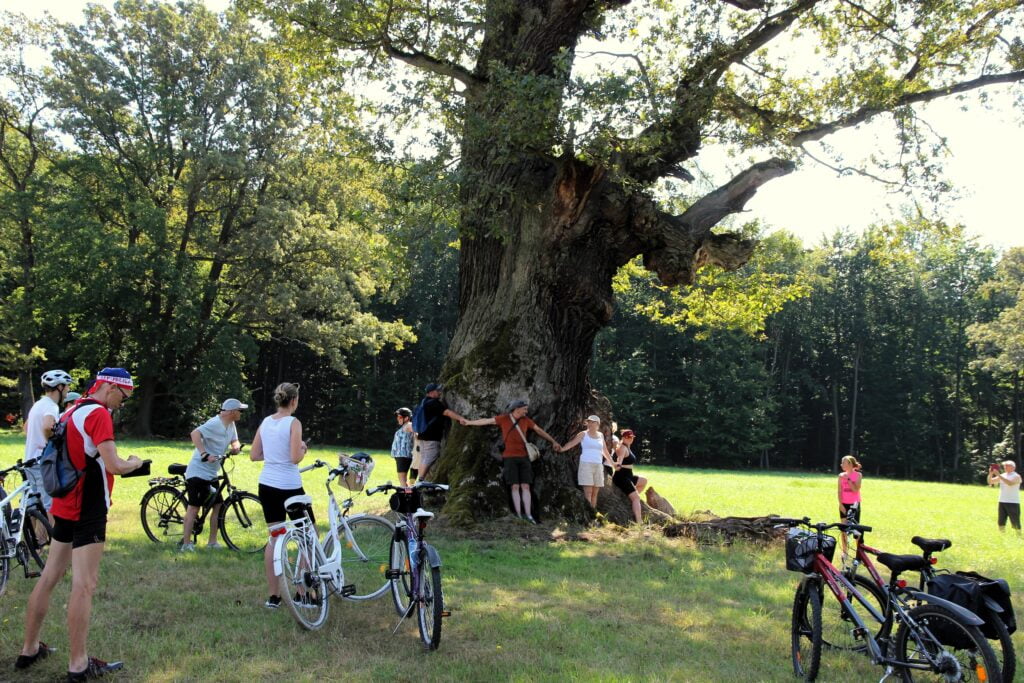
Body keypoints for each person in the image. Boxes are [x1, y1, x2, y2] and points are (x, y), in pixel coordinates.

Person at [17, 368, 144, 681]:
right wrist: (135, 463)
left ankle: (29, 649)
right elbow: (114, 464)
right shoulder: (99, 414)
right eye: (123, 397)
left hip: (63, 504)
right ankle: (78, 664)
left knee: (49, 576)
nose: (122, 404)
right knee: (84, 584)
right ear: (111, 387)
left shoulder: (71, 409)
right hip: (88, 509)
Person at [251, 382, 309, 608]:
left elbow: (254, 455)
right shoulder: (294, 423)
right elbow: (295, 457)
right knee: (308, 535)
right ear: (294, 401)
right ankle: (301, 592)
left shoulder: (266, 422)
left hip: (267, 485)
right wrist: (303, 448)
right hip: (290, 486)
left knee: (275, 538)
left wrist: (274, 453)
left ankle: (274, 596)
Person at [464, 399, 561, 523]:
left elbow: (539, 430)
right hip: (509, 458)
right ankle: (519, 515)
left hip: (524, 457)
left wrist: (553, 441)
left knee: (526, 486)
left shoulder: (526, 421)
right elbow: (486, 421)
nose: (527, 411)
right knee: (514, 486)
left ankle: (528, 515)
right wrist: (469, 422)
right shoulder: (503, 419)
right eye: (524, 409)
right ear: (517, 409)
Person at [179, 398, 247, 552]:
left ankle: (212, 542)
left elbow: (234, 440)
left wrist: (235, 448)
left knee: (218, 506)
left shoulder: (231, 424)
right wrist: (204, 453)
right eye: (240, 410)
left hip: (212, 472)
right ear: (231, 412)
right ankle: (186, 544)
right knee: (194, 508)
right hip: (198, 471)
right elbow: (195, 433)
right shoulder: (214, 423)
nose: (241, 413)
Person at [23, 369, 75, 521]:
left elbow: (26, 428)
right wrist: (51, 444)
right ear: (59, 387)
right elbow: (47, 426)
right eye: (66, 386)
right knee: (50, 505)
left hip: (30, 460)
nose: (68, 389)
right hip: (42, 462)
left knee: (34, 505)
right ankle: (55, 542)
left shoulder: (38, 404)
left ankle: (35, 543)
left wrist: (36, 440)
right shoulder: (51, 406)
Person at [411, 383, 467, 482]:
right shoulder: (434, 403)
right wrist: (460, 418)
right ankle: (420, 480)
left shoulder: (424, 402)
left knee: (424, 458)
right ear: (432, 393)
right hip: (431, 436)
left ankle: (421, 479)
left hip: (423, 435)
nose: (440, 393)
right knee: (430, 456)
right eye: (438, 391)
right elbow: (447, 412)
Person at [560, 415, 614, 510]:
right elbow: (572, 443)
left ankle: (593, 514)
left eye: (592, 422)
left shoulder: (600, 435)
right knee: (588, 493)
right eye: (588, 422)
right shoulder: (583, 434)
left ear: (597, 424)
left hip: (598, 465)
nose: (589, 424)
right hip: (586, 465)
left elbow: (605, 451)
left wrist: (613, 464)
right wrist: (562, 449)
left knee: (595, 493)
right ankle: (589, 515)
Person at [612, 429, 648, 524]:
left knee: (643, 481)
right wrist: (618, 465)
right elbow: (619, 461)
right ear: (623, 438)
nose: (630, 439)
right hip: (621, 477)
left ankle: (630, 499)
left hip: (629, 475)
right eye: (628, 437)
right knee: (636, 498)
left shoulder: (628, 447)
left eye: (632, 437)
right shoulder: (622, 448)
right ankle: (639, 521)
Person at [838, 455, 863, 556]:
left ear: (850, 464)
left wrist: (848, 479)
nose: (841, 464)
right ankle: (845, 551)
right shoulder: (840, 475)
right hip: (844, 504)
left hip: (854, 504)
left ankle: (859, 553)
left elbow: (855, 489)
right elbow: (839, 491)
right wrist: (840, 504)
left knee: (855, 529)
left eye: (843, 462)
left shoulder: (858, 475)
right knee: (843, 529)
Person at [987, 460, 1021, 535]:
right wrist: (991, 473)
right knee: (1001, 521)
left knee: (1015, 521)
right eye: (1005, 466)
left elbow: (1010, 483)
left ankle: (1019, 536)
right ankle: (1002, 536)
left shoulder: (1017, 476)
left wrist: (998, 475)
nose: (1005, 467)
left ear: (1013, 467)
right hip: (1002, 501)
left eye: (1007, 465)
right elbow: (990, 482)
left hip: (1013, 502)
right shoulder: (1003, 475)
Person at [391, 407, 414, 487]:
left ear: (407, 418)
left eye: (400, 417)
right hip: (401, 456)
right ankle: (408, 494)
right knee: (404, 481)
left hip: (404, 456)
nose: (398, 418)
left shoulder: (408, 425)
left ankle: (406, 495)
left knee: (403, 481)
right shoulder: (405, 426)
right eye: (397, 417)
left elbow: (417, 433)